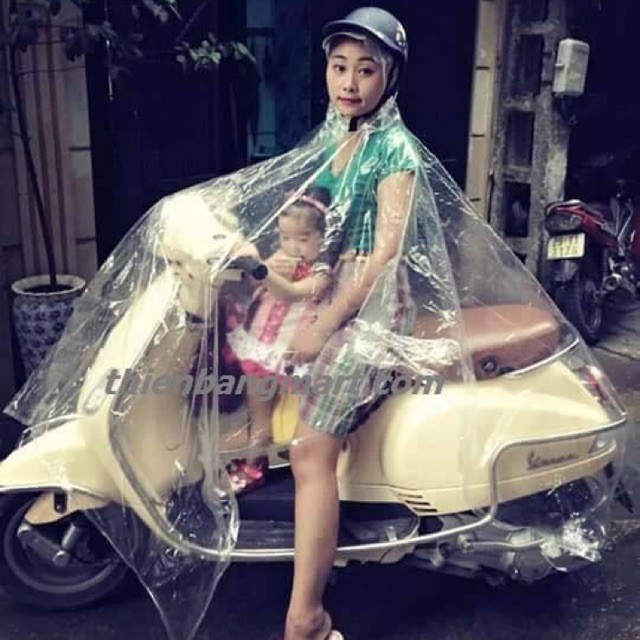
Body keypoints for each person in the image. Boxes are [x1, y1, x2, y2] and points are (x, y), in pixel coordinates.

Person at [279, 8, 419, 640]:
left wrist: (324, 322)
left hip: (376, 307)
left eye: (366, 69)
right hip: (336, 291)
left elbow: (383, 255)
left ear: (389, 76)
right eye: (339, 67)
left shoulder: (394, 150)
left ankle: (307, 618)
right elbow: (317, 215)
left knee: (309, 448)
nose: (350, 82)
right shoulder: (339, 133)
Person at [224, 187, 334, 493]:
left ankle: (307, 469)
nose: (293, 246)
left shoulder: (322, 271)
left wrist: (263, 271)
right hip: (261, 347)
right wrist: (265, 267)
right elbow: (254, 288)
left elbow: (294, 293)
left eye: (303, 238)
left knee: (303, 420)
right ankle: (254, 463)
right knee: (259, 414)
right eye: (285, 237)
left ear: (323, 237)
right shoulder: (279, 259)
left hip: (295, 354)